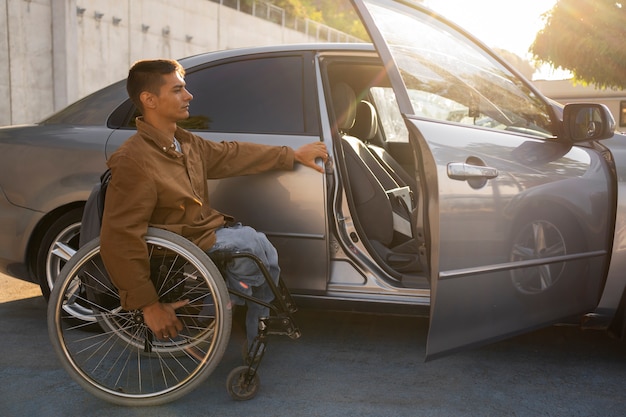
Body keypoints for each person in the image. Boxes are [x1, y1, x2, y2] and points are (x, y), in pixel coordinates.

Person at [99, 59, 327, 348]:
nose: (189, 96)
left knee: (261, 247)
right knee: (250, 247)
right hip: (180, 240)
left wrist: (291, 155)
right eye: (178, 90)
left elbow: (231, 155)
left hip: (201, 232)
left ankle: (252, 318)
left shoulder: (184, 142)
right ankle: (226, 314)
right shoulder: (134, 159)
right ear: (149, 100)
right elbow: (120, 236)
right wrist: (148, 305)